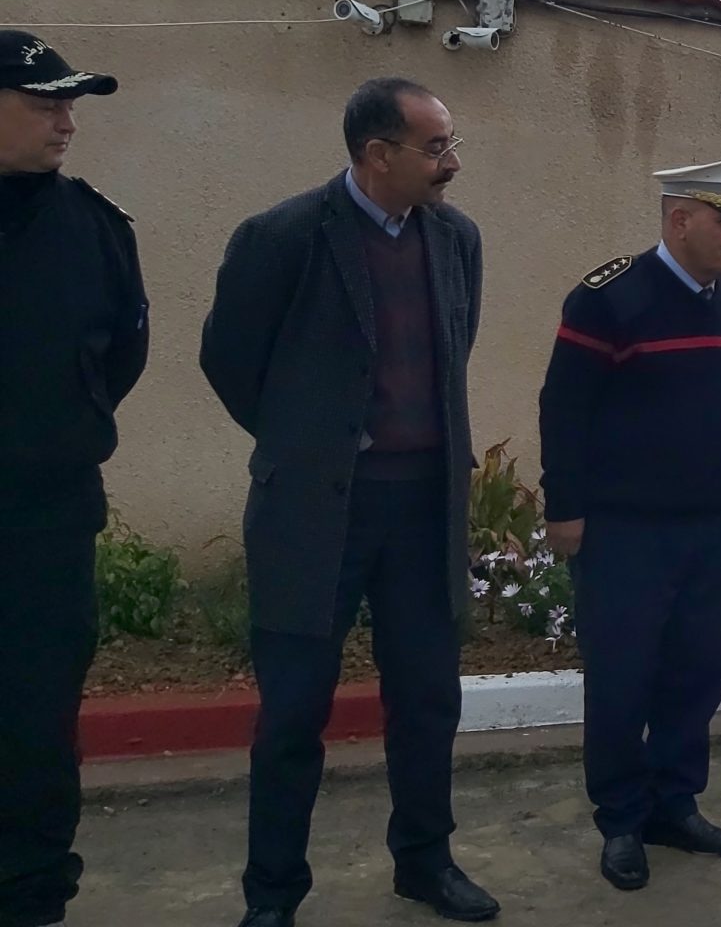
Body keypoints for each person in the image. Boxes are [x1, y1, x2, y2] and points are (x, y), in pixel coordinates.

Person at [200, 78, 496, 926]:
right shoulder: (281, 237)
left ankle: (426, 863)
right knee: (294, 714)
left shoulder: (456, 239)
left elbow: (456, 345)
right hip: (313, 517)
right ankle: (273, 894)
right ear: (376, 155)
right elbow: (229, 361)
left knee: (428, 702)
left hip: (423, 512)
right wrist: (312, 444)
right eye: (434, 148)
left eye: (450, 143)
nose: (451, 163)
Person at [538, 156, 721, 891]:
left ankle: (675, 804)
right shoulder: (610, 298)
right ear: (680, 219)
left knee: (697, 672)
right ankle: (621, 821)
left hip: (708, 526)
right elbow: (563, 407)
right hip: (624, 531)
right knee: (622, 679)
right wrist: (565, 506)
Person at [0, 32, 143, 927]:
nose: (66, 121)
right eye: (44, 103)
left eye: (70, 104)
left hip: (45, 521)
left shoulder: (93, 228)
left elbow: (120, 355)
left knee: (36, 719)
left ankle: (29, 894)